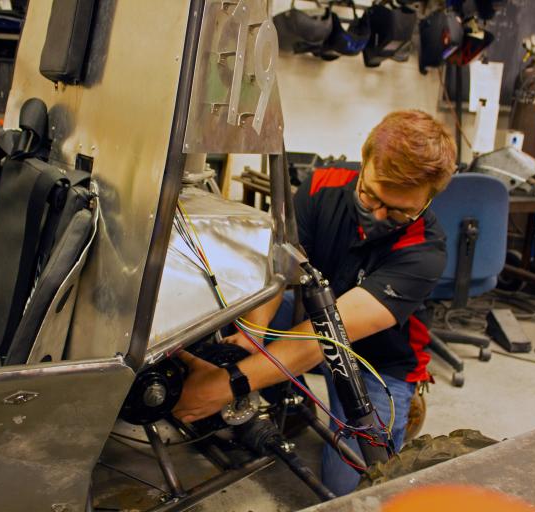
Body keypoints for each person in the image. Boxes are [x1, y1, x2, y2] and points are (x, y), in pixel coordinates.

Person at [173, 110, 457, 495]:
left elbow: (330, 335)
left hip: (377, 361)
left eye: (398, 211)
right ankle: (275, 395)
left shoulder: (425, 251)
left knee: (354, 491)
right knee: (230, 313)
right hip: (311, 321)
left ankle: (401, 409)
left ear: (428, 200)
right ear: (365, 160)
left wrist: (231, 383)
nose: (376, 214)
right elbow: (277, 271)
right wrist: (252, 334)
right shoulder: (323, 185)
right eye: (370, 195)